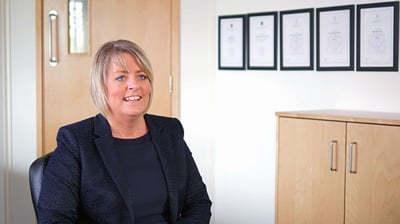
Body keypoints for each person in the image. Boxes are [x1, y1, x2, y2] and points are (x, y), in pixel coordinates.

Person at [37, 39, 212, 223]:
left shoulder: (170, 131)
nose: (134, 85)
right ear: (102, 87)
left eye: (142, 76)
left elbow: (198, 203)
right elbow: (55, 218)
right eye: (121, 77)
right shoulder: (75, 141)